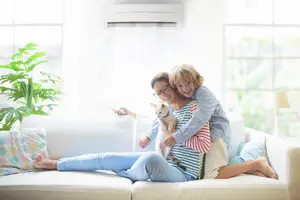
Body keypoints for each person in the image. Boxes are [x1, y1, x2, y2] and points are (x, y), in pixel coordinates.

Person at [33, 72, 210, 182]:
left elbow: (204, 145)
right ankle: (57, 164)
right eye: (158, 92)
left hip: (184, 173)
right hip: (165, 163)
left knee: (150, 158)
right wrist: (129, 113)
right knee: (109, 157)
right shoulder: (166, 110)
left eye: (166, 88)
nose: (163, 95)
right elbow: (152, 122)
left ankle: (127, 174)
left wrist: (175, 135)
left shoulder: (196, 108)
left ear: (174, 85)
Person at [163, 64, 277, 179]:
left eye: (188, 82)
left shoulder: (203, 93)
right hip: (205, 138)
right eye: (180, 85)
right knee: (206, 173)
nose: (185, 88)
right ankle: (253, 169)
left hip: (217, 136)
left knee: (213, 174)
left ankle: (255, 163)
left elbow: (198, 120)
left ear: (195, 79)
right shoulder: (186, 97)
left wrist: (175, 137)